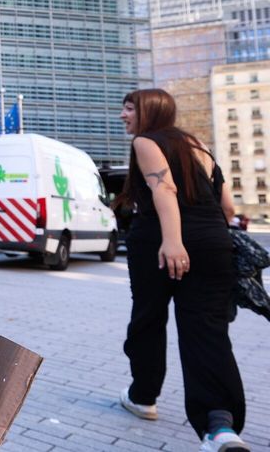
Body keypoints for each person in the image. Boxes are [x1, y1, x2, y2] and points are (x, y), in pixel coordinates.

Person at [116, 89, 248, 452]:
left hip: (159, 244)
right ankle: (219, 427)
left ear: (148, 111)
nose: (124, 116)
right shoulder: (197, 144)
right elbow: (227, 206)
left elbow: (165, 190)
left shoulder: (146, 142)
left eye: (129, 109)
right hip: (213, 242)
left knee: (147, 321)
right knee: (207, 331)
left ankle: (143, 396)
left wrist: (173, 241)